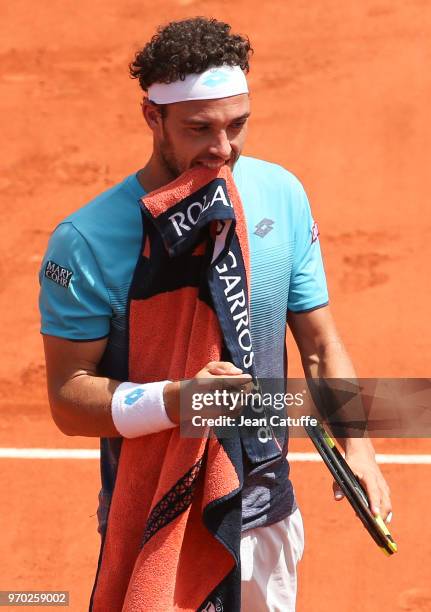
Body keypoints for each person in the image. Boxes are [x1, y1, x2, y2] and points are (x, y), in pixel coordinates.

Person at [39, 17, 392, 612]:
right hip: (154, 522)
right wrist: (177, 400)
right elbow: (69, 399)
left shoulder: (281, 194)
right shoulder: (86, 241)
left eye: (238, 125)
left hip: (266, 511)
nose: (223, 149)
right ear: (153, 118)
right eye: (199, 129)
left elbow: (318, 344)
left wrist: (358, 443)